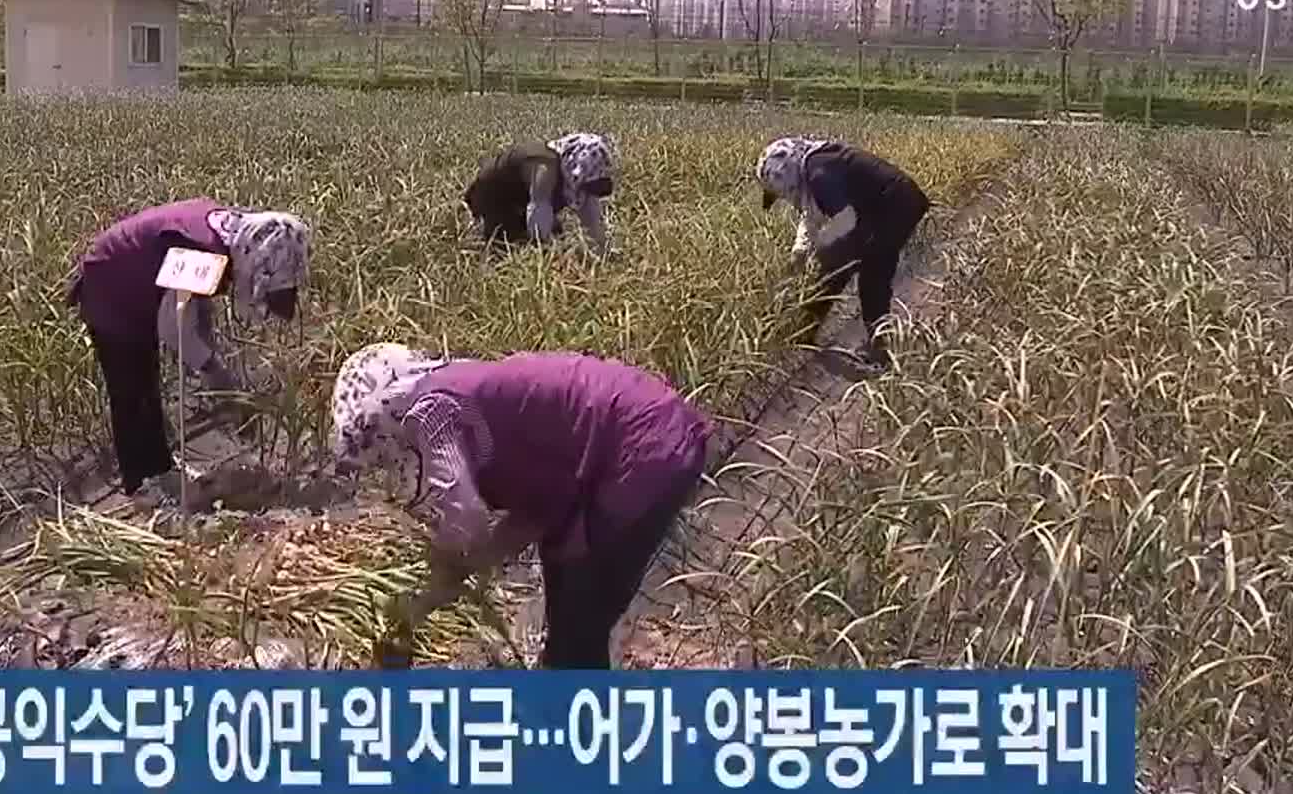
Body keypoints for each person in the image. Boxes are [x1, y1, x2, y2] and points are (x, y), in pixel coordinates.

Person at [329, 342, 711, 669]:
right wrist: (444, 586)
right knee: (570, 605)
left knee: (581, 616)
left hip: (642, 447)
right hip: (635, 437)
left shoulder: (431, 411)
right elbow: (536, 509)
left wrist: (426, 591)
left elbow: (467, 524)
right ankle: (567, 701)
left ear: (387, 416)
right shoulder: (457, 389)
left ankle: (573, 728)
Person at [65, 198, 312, 500]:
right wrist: (215, 372)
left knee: (147, 385)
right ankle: (144, 487)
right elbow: (174, 325)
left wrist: (213, 364)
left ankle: (160, 470)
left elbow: (196, 308)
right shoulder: (203, 254)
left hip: (136, 280)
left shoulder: (237, 236)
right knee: (132, 389)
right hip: (110, 288)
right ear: (259, 262)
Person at [753, 136, 932, 368]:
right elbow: (812, 213)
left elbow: (846, 219)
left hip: (894, 204)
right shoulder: (815, 164)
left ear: (785, 177)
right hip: (890, 204)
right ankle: (807, 329)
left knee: (866, 270)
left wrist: (821, 249)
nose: (784, 199)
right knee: (846, 262)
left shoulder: (819, 174)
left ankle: (875, 346)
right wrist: (800, 251)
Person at [463, 132, 618, 256]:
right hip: (494, 201)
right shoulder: (544, 166)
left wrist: (602, 252)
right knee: (507, 250)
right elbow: (538, 209)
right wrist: (544, 254)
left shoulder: (574, 172)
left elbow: (591, 216)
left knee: (556, 236)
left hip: (521, 204)